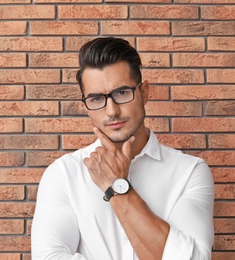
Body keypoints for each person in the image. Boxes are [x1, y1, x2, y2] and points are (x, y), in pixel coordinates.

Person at [31, 37, 214, 260]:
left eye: (122, 93)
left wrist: (116, 187)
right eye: (97, 98)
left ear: (144, 92)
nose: (111, 111)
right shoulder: (64, 174)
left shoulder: (190, 171)